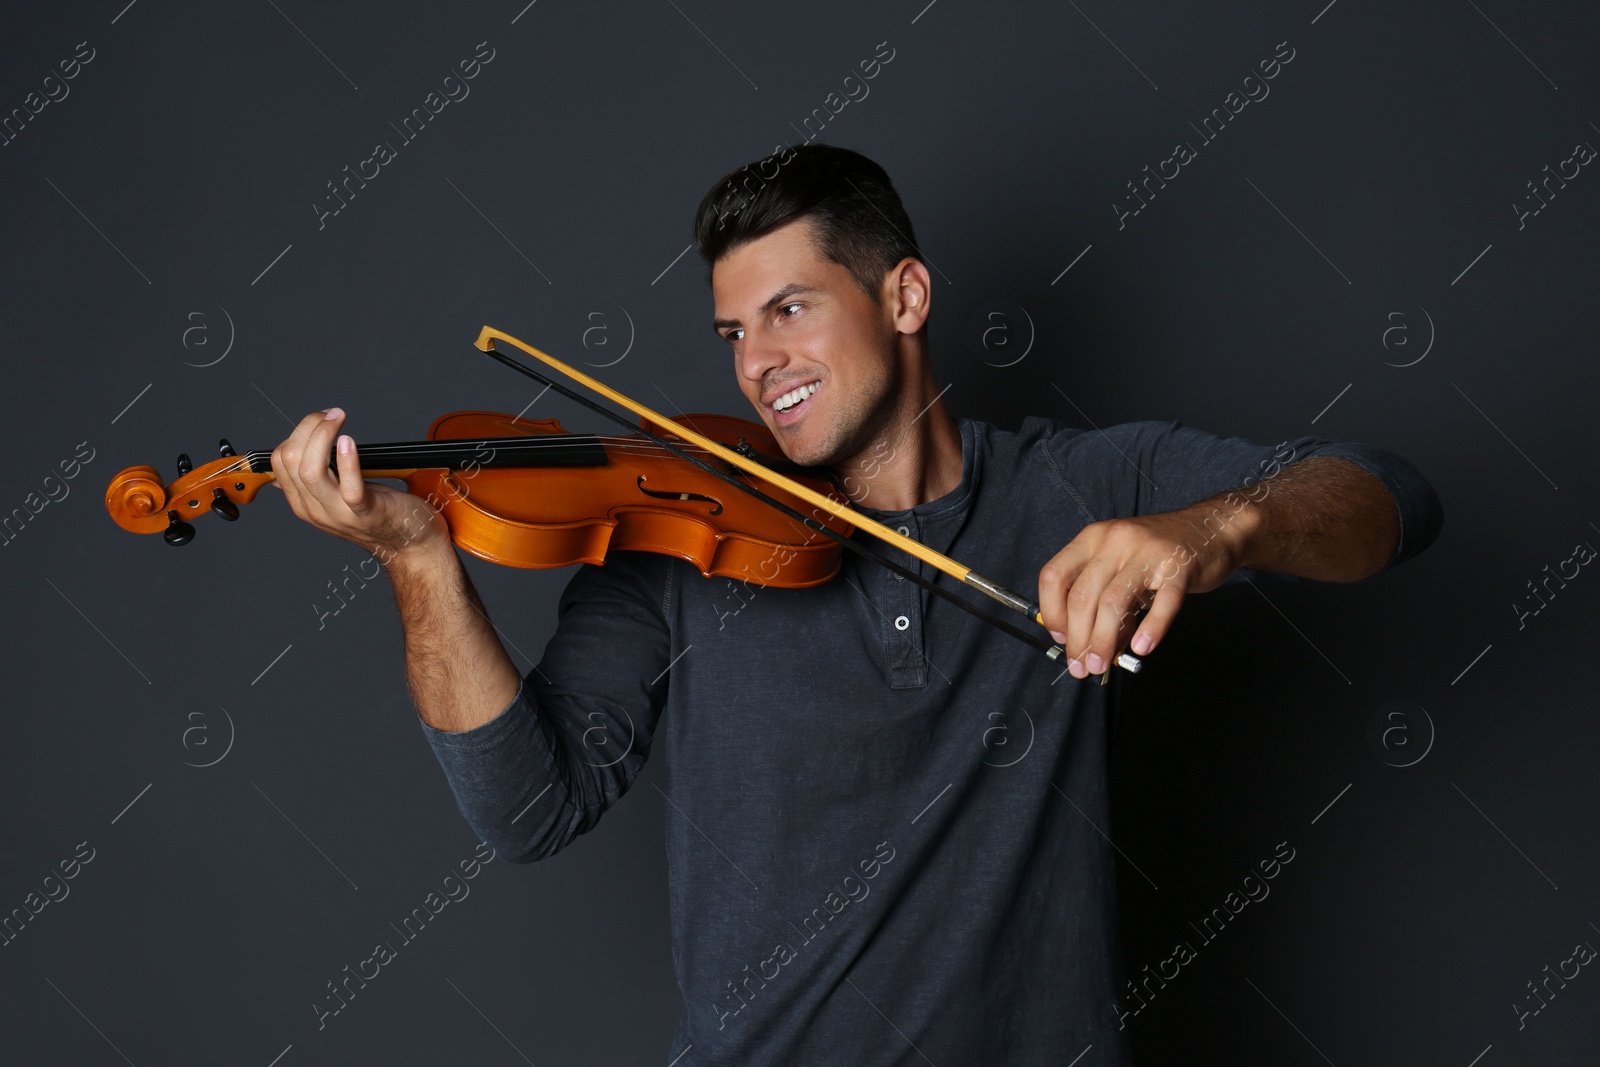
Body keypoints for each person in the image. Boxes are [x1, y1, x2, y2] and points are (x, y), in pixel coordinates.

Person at [269, 144, 1443, 1064]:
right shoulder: (681, 533)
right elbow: (528, 809)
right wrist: (419, 556)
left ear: (906, 293)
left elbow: (1389, 499)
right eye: (733, 331)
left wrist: (1219, 526)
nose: (755, 363)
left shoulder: (1081, 488)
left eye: (790, 309)